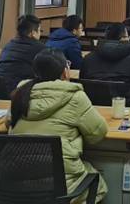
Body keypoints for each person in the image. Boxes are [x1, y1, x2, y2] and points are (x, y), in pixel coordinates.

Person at [10, 48, 108, 203]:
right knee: (99, 184)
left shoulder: (21, 94)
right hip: (59, 188)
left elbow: (8, 123)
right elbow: (98, 134)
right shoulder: (75, 96)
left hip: (16, 182)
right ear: (65, 72)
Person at [81, 23, 130, 101]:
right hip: (123, 105)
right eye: (127, 36)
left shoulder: (88, 58)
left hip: (91, 104)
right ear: (122, 39)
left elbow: (82, 81)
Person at [0, 14, 45, 94]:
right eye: (39, 31)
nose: (40, 34)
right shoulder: (40, 48)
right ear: (33, 33)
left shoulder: (8, 45)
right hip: (21, 93)